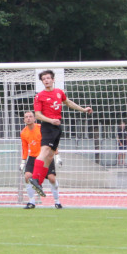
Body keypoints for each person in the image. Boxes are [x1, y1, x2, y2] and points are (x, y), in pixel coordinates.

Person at [29, 69, 92, 197]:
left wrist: (83, 109)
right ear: (42, 82)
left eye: (48, 78)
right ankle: (35, 178)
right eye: (44, 79)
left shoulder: (59, 92)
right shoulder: (39, 96)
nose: (46, 80)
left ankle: (39, 182)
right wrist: (51, 120)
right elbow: (37, 115)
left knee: (50, 156)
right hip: (48, 126)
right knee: (45, 151)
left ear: (53, 79)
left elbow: (68, 102)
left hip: (57, 127)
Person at [19, 111, 61, 209]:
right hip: (33, 157)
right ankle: (31, 202)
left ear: (34, 118)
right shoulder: (23, 133)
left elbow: (52, 142)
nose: (28, 118)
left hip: (45, 156)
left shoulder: (41, 129)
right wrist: (23, 161)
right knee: (27, 176)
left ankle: (57, 201)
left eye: (30, 116)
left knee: (51, 178)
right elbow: (25, 148)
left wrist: (57, 155)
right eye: (26, 117)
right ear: (24, 120)